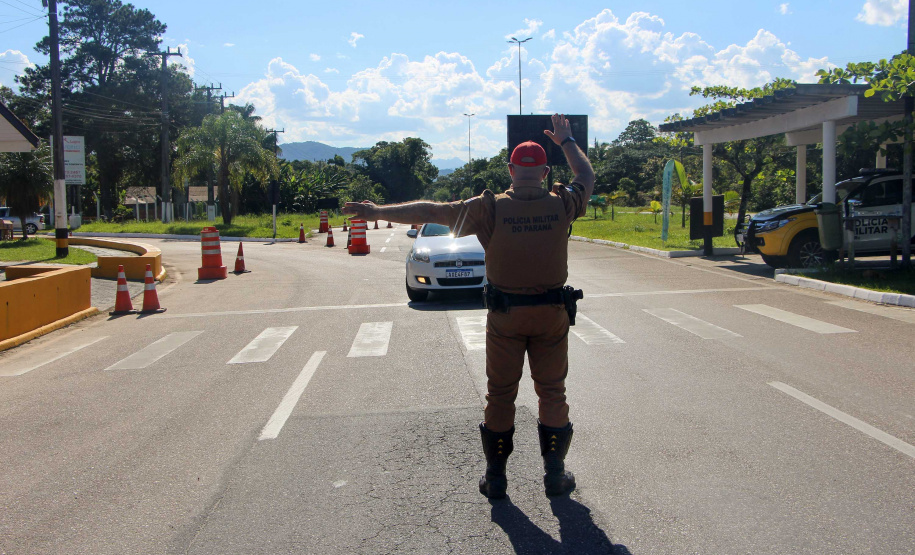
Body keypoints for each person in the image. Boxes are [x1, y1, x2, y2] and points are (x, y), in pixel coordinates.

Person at [343, 114, 595, 499]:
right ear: (544, 172)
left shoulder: (488, 208)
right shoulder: (564, 202)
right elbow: (586, 175)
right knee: (552, 393)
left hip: (505, 316)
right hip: (551, 315)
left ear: (511, 170)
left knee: (500, 395)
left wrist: (377, 212)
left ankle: (496, 478)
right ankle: (555, 476)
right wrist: (567, 141)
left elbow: (430, 211)